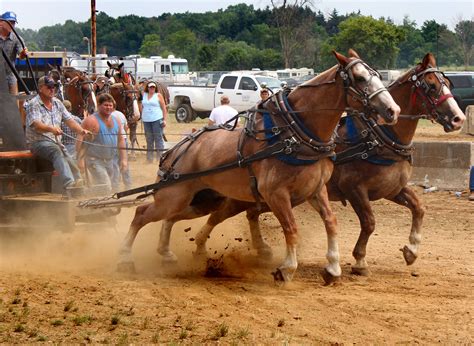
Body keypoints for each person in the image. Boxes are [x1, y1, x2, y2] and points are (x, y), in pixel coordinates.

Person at [25, 76, 87, 190]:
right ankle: (69, 183)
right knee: (57, 151)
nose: (52, 89)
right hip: (38, 143)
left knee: (69, 159)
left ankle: (79, 184)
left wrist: (82, 131)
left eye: (54, 87)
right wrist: (51, 129)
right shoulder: (34, 104)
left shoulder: (58, 103)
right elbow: (36, 124)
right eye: (49, 87)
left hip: (55, 143)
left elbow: (70, 121)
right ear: (40, 88)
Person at [77, 93, 127, 193]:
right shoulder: (91, 121)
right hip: (94, 160)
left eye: (110, 105)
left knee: (113, 187)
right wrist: (80, 159)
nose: (108, 107)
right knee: (105, 186)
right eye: (105, 105)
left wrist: (124, 159)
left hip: (111, 160)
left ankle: (91, 199)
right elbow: (80, 141)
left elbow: (121, 140)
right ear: (99, 106)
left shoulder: (116, 120)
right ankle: (101, 206)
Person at [0, 11, 28, 95]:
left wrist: (23, 53)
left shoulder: (17, 39)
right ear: (1, 22)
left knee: (13, 103)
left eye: (13, 23)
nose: (12, 25)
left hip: (9, 76)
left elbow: (21, 56)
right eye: (9, 22)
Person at [141, 81, 167, 163]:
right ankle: (149, 159)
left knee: (158, 138)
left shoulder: (158, 95)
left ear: (155, 88)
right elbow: (141, 104)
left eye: (153, 87)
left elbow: (164, 108)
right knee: (149, 139)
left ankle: (160, 158)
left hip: (157, 118)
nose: (152, 88)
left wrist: (164, 119)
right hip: (146, 120)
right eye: (150, 87)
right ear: (147, 88)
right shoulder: (144, 95)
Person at [112, 107, 132, 189]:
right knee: (124, 162)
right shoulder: (120, 114)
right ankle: (128, 184)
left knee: (114, 163)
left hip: (115, 141)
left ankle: (115, 185)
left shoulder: (109, 116)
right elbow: (126, 128)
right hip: (124, 139)